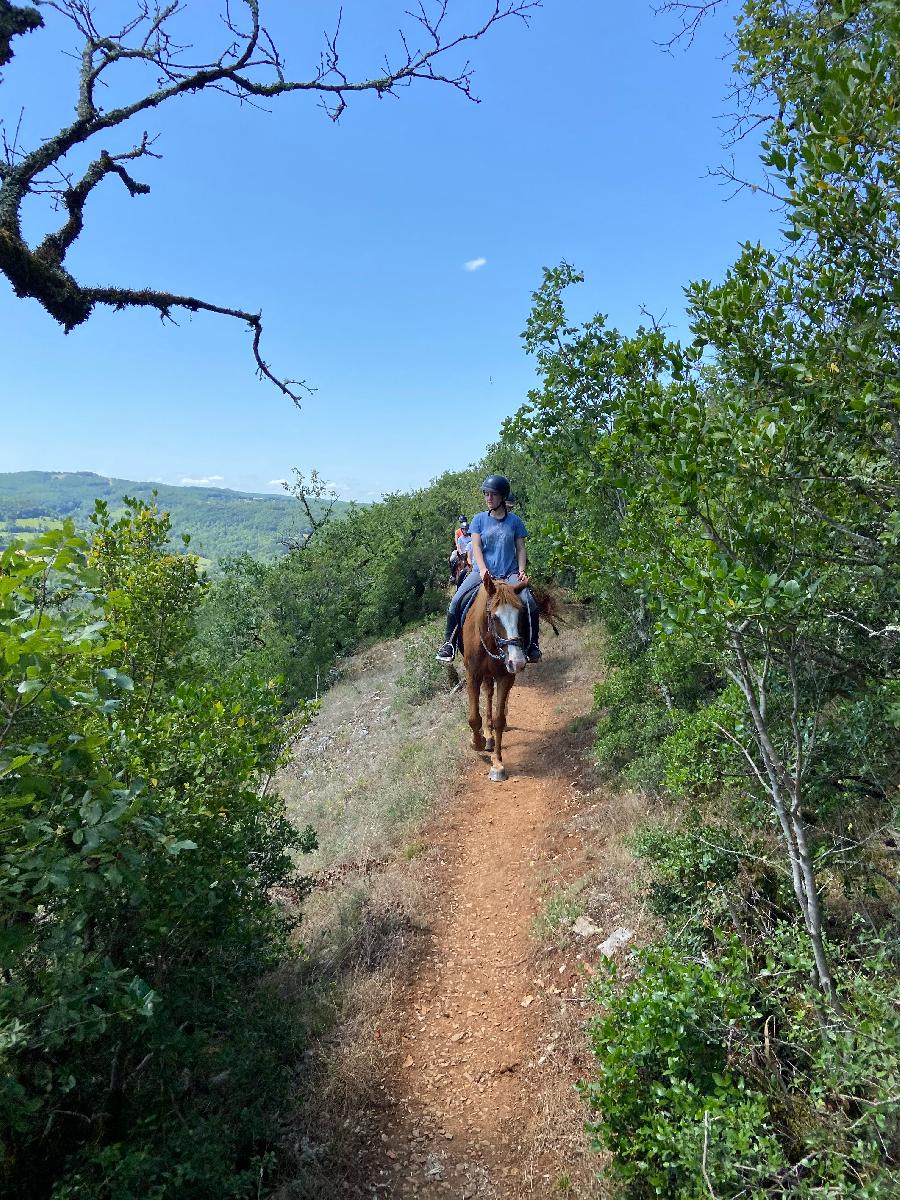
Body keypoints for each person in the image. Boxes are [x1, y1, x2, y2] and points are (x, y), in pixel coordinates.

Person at [435, 474, 541, 663]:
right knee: (457, 600)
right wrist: (483, 570)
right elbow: (475, 547)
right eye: (486, 494)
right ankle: (448, 644)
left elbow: (521, 548)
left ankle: (532, 645)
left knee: (530, 603)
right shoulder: (478, 520)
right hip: (482, 573)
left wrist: (522, 570)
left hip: (509, 573)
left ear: (502, 496)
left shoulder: (515, 521)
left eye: (493, 494)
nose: (488, 498)